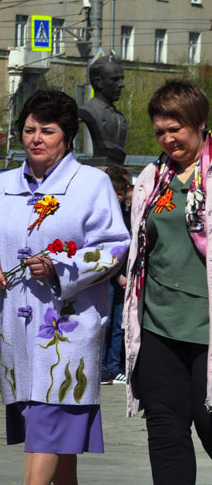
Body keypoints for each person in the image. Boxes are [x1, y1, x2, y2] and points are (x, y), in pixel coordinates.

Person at [0, 89, 129, 485]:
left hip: (68, 323)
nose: (36, 139)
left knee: (51, 416)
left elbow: (113, 246)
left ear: (67, 137)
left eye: (47, 131)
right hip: (13, 322)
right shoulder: (3, 184)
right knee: (43, 423)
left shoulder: (91, 184)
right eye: (29, 130)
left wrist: (64, 266)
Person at [124, 80, 212, 485]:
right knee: (166, 431)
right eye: (159, 131)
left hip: (207, 326)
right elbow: (144, 241)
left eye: (175, 129)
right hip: (158, 324)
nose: (166, 140)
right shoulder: (152, 180)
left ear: (200, 125)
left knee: (210, 423)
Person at [100, 165, 132, 386]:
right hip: (110, 278)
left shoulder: (127, 214)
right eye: (116, 194)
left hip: (124, 277)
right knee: (106, 323)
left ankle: (113, 366)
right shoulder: (105, 215)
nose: (118, 198)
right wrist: (118, 275)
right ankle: (101, 367)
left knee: (119, 325)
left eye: (121, 194)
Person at [78, 55, 128, 165]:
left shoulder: (121, 118)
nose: (121, 85)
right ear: (98, 82)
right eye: (115, 79)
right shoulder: (88, 111)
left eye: (122, 79)